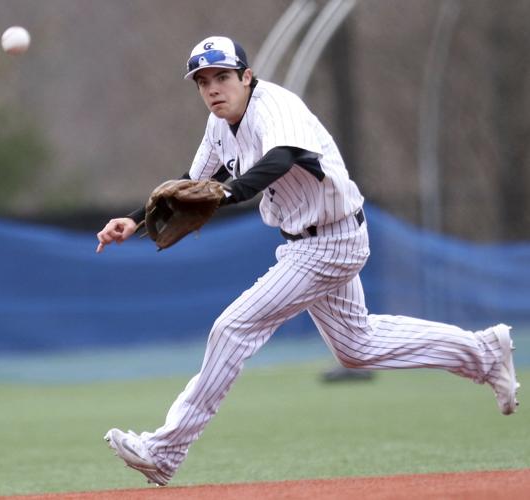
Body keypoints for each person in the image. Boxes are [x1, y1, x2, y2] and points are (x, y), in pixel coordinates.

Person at [96, 36, 519, 486]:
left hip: (329, 242)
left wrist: (231, 191)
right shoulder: (219, 125)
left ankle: (165, 450)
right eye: (203, 81)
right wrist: (135, 220)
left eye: (222, 76)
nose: (213, 88)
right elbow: (192, 183)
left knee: (233, 327)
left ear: (246, 77)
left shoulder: (275, 106)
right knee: (356, 348)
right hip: (309, 240)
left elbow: (282, 157)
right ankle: (483, 353)